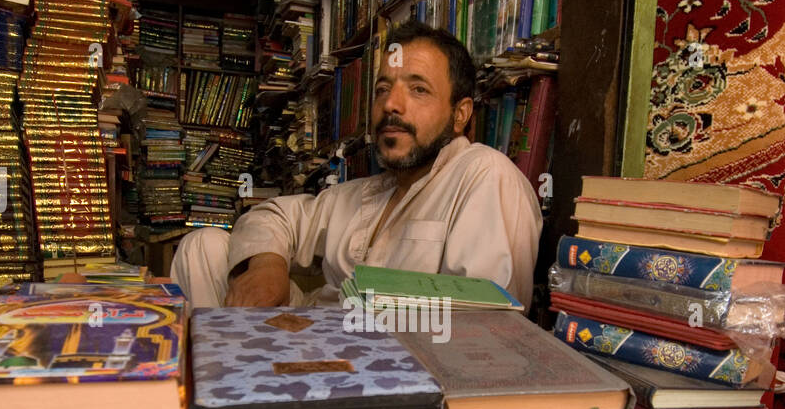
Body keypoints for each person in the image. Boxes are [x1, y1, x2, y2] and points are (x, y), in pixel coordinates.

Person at [171, 20, 543, 312]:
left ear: (460, 113)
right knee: (203, 246)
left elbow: (484, 323)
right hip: (319, 341)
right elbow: (272, 215)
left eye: (418, 89)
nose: (392, 105)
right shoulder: (365, 192)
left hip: (398, 370)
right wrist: (268, 264)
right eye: (383, 89)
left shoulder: (483, 174)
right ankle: (230, 397)